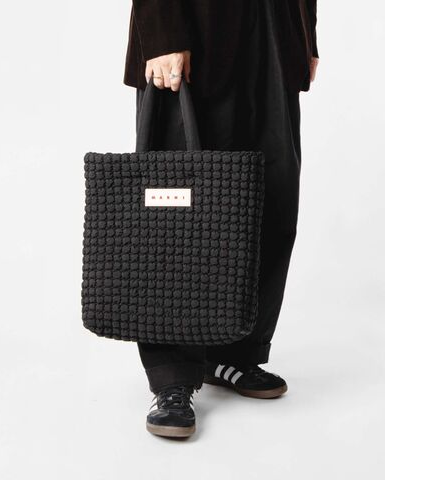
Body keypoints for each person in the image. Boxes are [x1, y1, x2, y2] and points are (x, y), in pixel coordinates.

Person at [123, 0, 319, 438]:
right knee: (178, 217)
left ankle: (235, 352)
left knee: (272, 200)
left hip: (276, 30)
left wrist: (306, 33)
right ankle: (173, 374)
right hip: (192, 31)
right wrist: (162, 33)